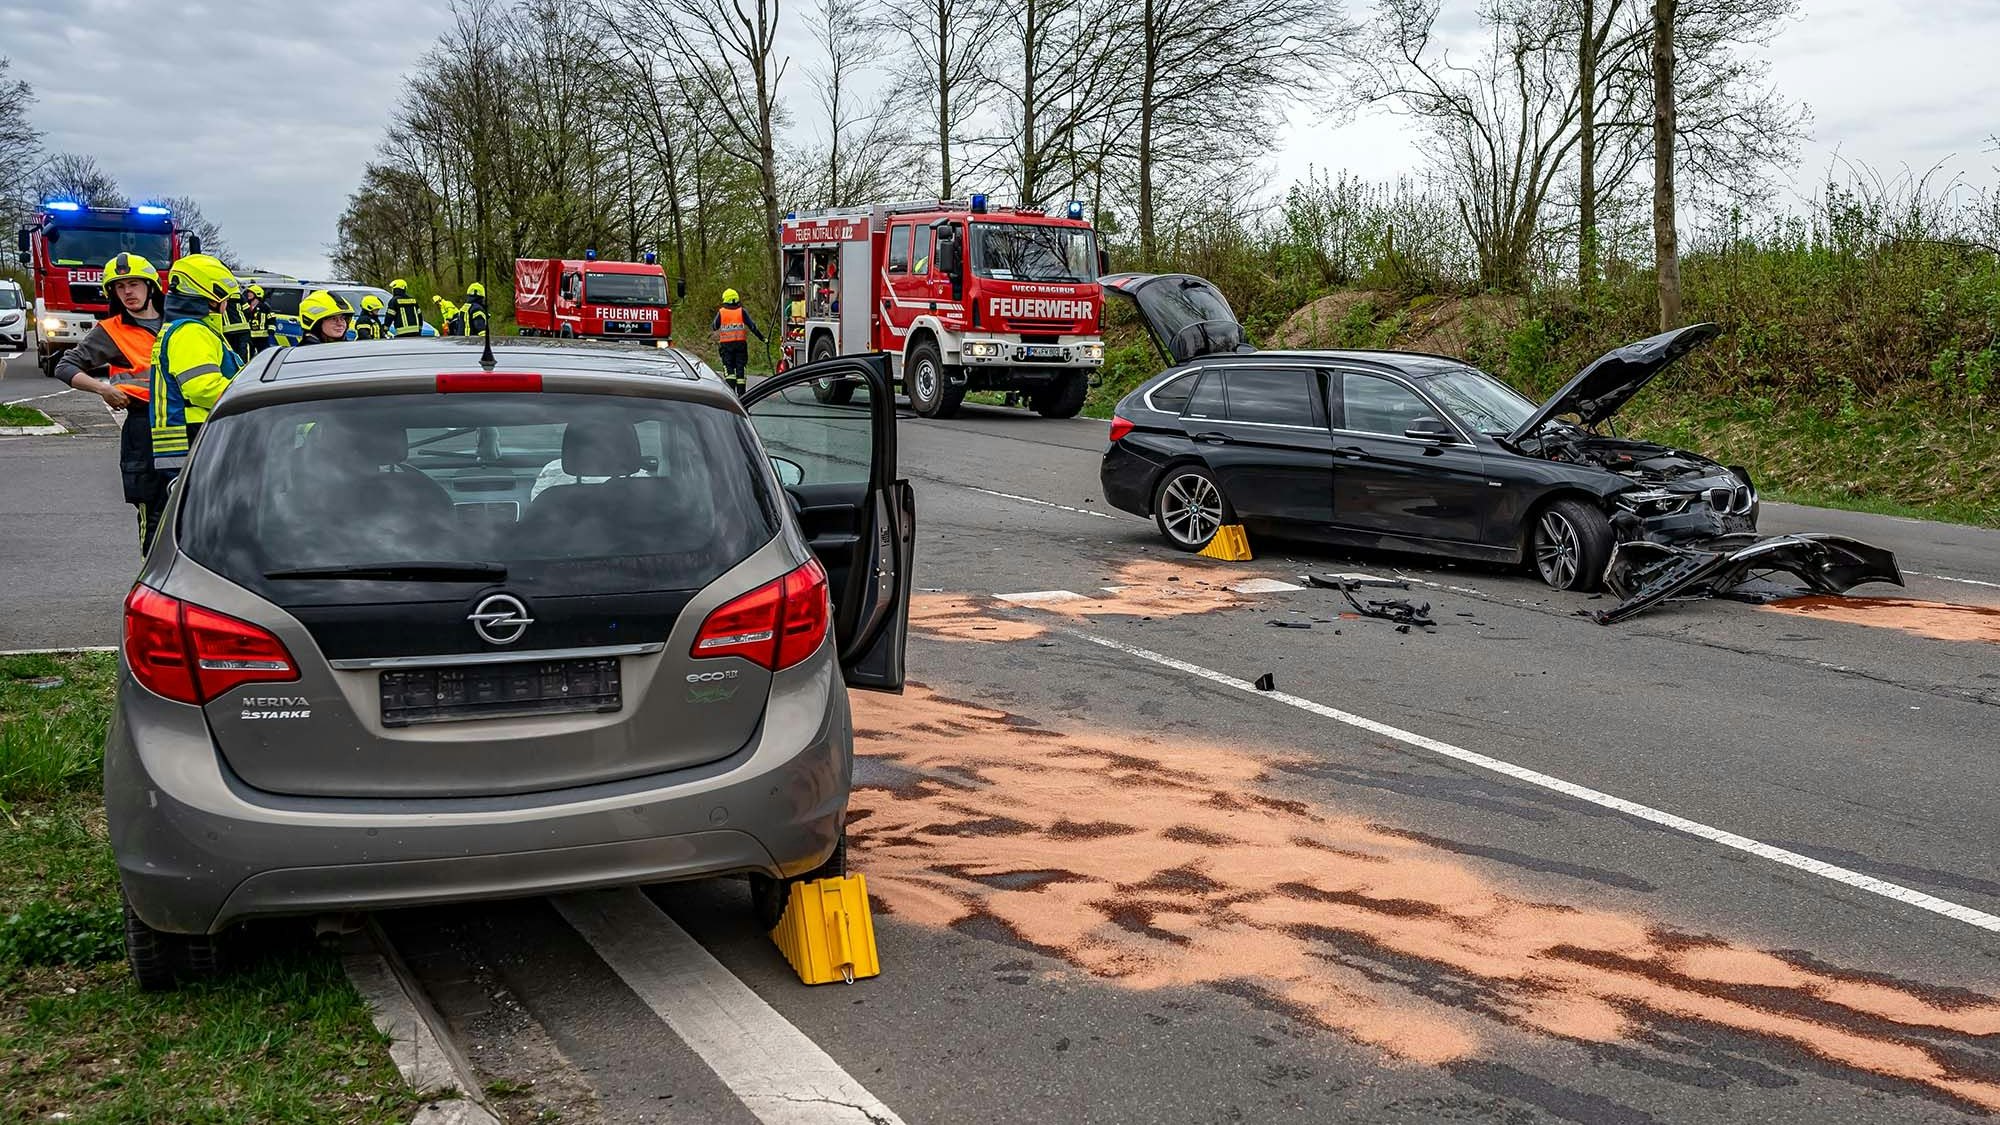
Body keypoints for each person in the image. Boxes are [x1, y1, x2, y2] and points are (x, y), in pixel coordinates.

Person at [49, 253, 168, 553]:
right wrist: (103, 389)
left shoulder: (178, 322)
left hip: (186, 422)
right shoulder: (111, 330)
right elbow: (65, 366)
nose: (127, 292)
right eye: (119, 287)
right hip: (144, 428)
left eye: (133, 284)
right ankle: (152, 588)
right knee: (153, 514)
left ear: (150, 286)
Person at [148, 254, 243, 483]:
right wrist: (251, 394)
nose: (227, 305)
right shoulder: (191, 332)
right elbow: (203, 388)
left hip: (190, 439)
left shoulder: (186, 329)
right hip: (198, 436)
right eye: (225, 299)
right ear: (211, 299)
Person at [712, 288, 764, 392]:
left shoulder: (722, 312)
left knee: (729, 369)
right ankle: (742, 396)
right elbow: (752, 327)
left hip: (726, 347)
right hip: (741, 345)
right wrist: (762, 338)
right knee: (741, 371)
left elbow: (714, 326)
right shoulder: (742, 311)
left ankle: (731, 394)